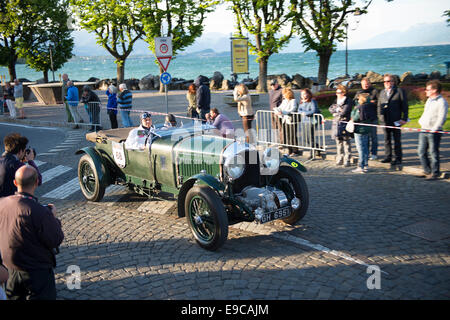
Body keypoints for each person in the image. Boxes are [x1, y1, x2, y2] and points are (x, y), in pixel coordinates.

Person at [0, 165, 64, 300]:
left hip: (10, 270)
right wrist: (54, 218)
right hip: (37, 273)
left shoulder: (2, 204)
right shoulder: (39, 212)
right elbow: (55, 239)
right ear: (36, 183)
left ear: (15, 183)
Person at [417, 80, 448, 180]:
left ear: (434, 90)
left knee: (433, 152)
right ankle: (427, 170)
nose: (426, 91)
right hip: (424, 129)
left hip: (434, 131)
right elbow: (426, 113)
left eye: (428, 89)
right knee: (421, 151)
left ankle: (435, 172)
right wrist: (421, 122)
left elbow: (441, 117)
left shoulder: (442, 102)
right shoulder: (429, 100)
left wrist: (434, 129)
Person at [378, 73, 409, 165]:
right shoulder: (382, 92)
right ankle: (388, 156)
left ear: (393, 82)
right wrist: (380, 117)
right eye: (385, 81)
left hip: (396, 119)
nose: (387, 83)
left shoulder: (399, 91)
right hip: (385, 120)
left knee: (397, 140)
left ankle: (398, 158)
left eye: (388, 81)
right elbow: (379, 106)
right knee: (386, 139)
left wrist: (404, 118)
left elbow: (405, 105)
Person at [0, 133, 41, 198]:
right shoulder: (17, 165)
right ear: (20, 151)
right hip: (10, 203)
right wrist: (30, 161)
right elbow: (38, 180)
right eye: (24, 151)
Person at [351, 93, 378, 173]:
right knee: (365, 147)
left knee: (360, 149)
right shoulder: (370, 106)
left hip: (359, 129)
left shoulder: (360, 107)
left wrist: (353, 113)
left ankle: (361, 165)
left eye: (359, 98)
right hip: (367, 128)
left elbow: (356, 117)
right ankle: (366, 165)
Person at [329, 84, 354, 167]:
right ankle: (340, 158)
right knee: (338, 142)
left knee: (346, 142)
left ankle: (347, 159)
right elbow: (330, 109)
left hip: (344, 123)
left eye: (338, 92)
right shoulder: (336, 100)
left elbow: (345, 112)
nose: (336, 94)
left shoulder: (348, 100)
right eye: (336, 92)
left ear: (343, 92)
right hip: (336, 124)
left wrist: (337, 113)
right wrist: (336, 110)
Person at [355, 77, 379, 160]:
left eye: (367, 84)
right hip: (364, 119)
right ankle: (366, 153)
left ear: (370, 83)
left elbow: (378, 102)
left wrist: (371, 102)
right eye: (364, 84)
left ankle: (374, 153)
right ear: (361, 84)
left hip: (373, 117)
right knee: (366, 137)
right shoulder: (359, 92)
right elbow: (355, 102)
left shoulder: (374, 91)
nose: (366, 85)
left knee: (373, 136)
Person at [274, 87, 298, 155]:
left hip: (291, 120)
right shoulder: (284, 101)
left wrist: (283, 112)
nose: (283, 95)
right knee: (286, 135)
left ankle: (295, 150)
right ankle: (289, 149)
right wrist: (277, 110)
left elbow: (293, 109)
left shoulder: (293, 101)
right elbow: (280, 107)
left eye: (284, 94)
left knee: (292, 135)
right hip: (284, 120)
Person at [298, 88, 320, 158]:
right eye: (302, 94)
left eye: (305, 94)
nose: (303, 96)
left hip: (311, 121)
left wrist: (305, 113)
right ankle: (317, 147)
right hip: (304, 121)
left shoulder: (312, 101)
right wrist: (303, 113)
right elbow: (299, 110)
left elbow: (314, 111)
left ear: (308, 94)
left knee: (310, 137)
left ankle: (312, 153)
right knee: (305, 138)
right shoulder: (302, 102)